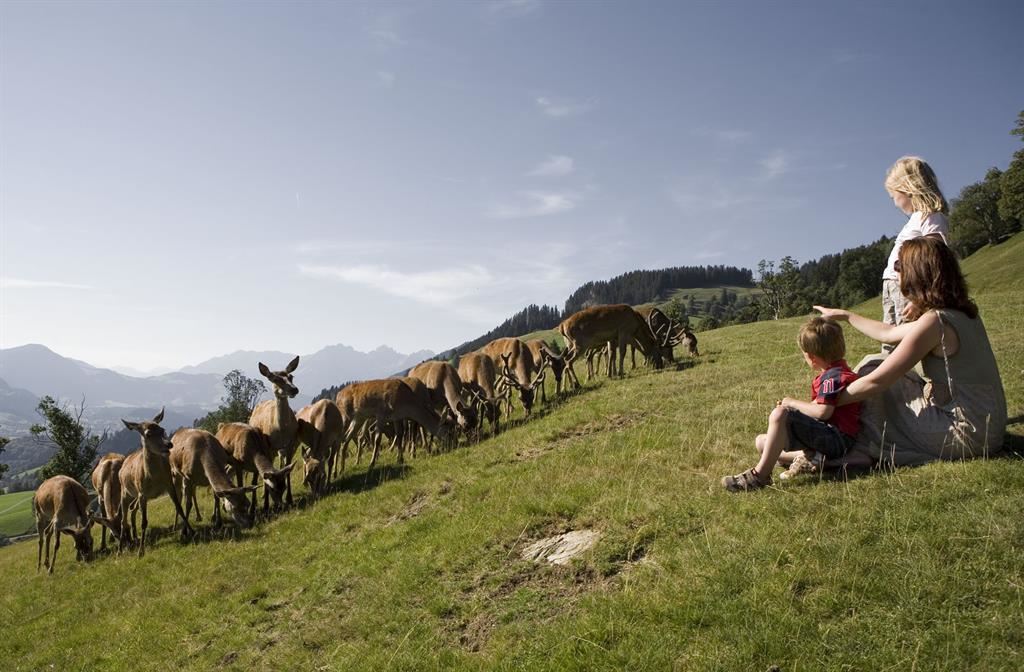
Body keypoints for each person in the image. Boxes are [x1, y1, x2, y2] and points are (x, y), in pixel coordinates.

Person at [815, 236, 1006, 466]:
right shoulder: (960, 312)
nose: (897, 273)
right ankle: (848, 438)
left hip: (966, 433)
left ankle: (861, 447)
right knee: (875, 361)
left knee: (871, 371)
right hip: (987, 425)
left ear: (917, 274)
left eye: (900, 267)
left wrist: (825, 403)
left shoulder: (934, 322)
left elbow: (878, 382)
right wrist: (846, 315)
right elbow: (888, 333)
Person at [721, 317, 861, 492]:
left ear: (811, 357)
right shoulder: (835, 373)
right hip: (829, 436)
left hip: (837, 439)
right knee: (761, 442)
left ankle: (759, 476)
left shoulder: (832, 378)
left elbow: (823, 412)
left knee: (780, 414)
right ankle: (812, 458)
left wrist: (790, 403)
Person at [881, 157, 949, 350]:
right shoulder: (917, 219)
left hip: (908, 288)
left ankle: (907, 378)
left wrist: (920, 298)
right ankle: (893, 378)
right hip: (894, 286)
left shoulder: (931, 217)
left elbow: (935, 258)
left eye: (894, 196)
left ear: (908, 189)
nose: (894, 203)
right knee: (891, 342)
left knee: (906, 343)